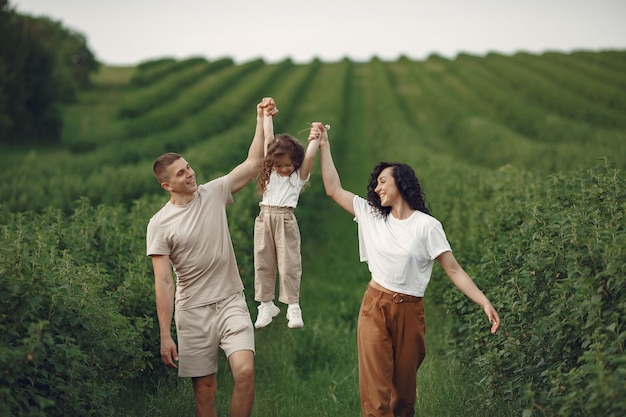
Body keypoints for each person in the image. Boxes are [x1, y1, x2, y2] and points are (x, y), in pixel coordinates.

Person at [312, 122, 501, 417]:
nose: (377, 188)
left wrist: (483, 301)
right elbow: (333, 189)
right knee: (376, 400)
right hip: (375, 307)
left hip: (410, 312)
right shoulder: (372, 216)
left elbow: (453, 269)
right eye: (376, 184)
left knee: (403, 400)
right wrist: (324, 144)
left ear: (401, 183)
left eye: (383, 182)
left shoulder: (427, 226)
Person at [146, 97, 278, 417]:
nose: (190, 174)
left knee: (245, 373)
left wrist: (261, 119)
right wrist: (166, 335)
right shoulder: (159, 224)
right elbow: (163, 282)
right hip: (193, 312)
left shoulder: (213, 193)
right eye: (181, 173)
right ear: (167, 185)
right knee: (205, 390)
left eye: (188, 167)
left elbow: (253, 162)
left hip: (231, 299)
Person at [252, 116, 321, 329]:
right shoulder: (270, 172)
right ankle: (265, 305)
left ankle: (293, 306)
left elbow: (309, 156)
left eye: (288, 165)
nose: (283, 169)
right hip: (264, 218)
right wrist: (266, 116)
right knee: (263, 262)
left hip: (285, 219)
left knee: (289, 263)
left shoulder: (297, 177)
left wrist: (315, 137)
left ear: (296, 162)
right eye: (279, 165)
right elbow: (269, 139)